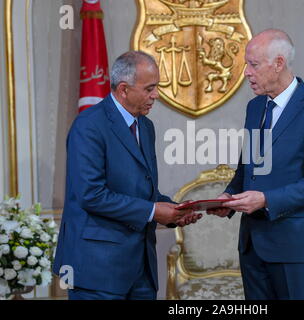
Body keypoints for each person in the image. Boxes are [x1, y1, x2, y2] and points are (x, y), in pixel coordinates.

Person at [53, 51, 201, 300]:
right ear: (124, 89)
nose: (156, 95)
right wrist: (154, 211)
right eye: (150, 89)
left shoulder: (145, 126)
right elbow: (92, 195)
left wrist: (177, 211)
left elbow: (144, 191)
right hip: (98, 270)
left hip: (141, 269)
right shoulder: (88, 126)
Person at [207, 29, 304, 300]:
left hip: (297, 247)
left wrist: (266, 199)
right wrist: (228, 197)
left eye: (253, 64)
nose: (246, 72)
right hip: (253, 246)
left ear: (278, 64)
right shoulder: (255, 107)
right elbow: (247, 169)